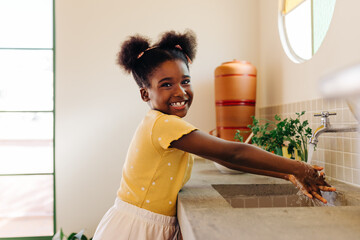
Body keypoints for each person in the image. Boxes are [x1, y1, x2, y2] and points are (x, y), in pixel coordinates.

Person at [93, 30, 335, 240]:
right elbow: (235, 152)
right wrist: (300, 168)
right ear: (145, 94)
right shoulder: (164, 125)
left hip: (142, 223)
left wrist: (286, 173)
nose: (181, 92)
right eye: (166, 84)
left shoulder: (161, 123)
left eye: (185, 81)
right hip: (137, 230)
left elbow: (225, 158)